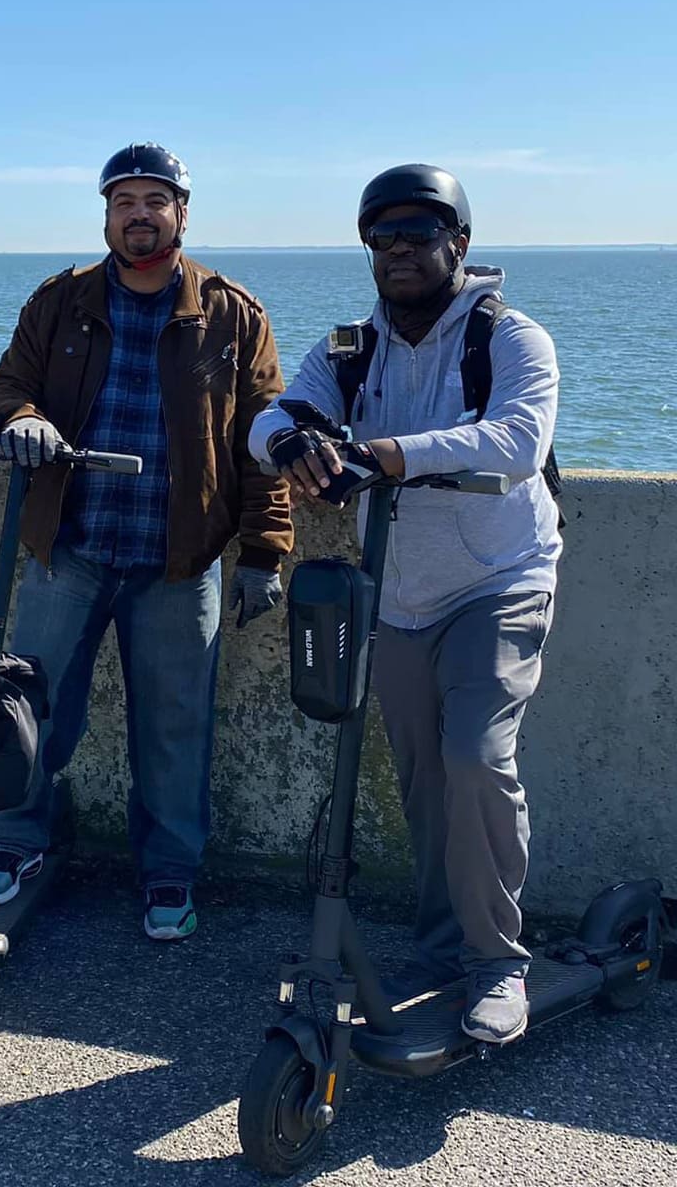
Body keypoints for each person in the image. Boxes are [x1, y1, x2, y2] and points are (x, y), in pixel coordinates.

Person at [249, 164, 561, 1042]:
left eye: (417, 235)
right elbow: (270, 418)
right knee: (424, 778)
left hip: (501, 580)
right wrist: (299, 447)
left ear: (458, 243)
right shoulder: (351, 348)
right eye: (379, 238)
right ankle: (441, 944)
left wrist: (380, 454)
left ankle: (499, 962)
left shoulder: (509, 337)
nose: (397, 252)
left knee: (474, 759)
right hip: (398, 592)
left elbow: (516, 441)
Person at [0, 142, 292, 941]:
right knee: (33, 709)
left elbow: (267, 437)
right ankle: (14, 841)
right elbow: (3, 386)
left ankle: (170, 871)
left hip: (179, 562)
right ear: (106, 214)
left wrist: (264, 552)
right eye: (124, 201)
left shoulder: (234, 314)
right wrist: (24, 418)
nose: (139, 214)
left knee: (176, 727)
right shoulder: (60, 300)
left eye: (156, 200)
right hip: (70, 545)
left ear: (183, 212)